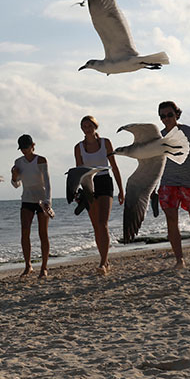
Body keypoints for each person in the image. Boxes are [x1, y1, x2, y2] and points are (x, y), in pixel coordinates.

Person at [156, 101, 190, 269]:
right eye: (163, 116)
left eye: (169, 115)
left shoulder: (188, 132)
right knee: (172, 222)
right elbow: (154, 164)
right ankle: (179, 259)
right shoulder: (159, 137)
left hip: (189, 183)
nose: (167, 119)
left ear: (177, 115)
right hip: (167, 184)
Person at [74, 115, 125, 275]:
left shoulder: (105, 143)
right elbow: (78, 171)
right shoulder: (78, 147)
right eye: (84, 126)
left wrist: (121, 190)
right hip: (88, 184)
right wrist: (77, 191)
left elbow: (114, 167)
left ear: (95, 126)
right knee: (96, 226)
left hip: (104, 181)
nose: (87, 128)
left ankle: (103, 262)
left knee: (103, 222)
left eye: (90, 125)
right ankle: (105, 260)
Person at [11, 134, 53, 277]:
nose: (24, 150)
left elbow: (47, 182)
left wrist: (48, 201)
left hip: (42, 199)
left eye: (26, 147)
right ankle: (28, 265)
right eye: (22, 148)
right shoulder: (18, 162)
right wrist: (14, 176)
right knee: (25, 231)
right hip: (27, 199)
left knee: (43, 233)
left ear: (32, 145)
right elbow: (16, 185)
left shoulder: (40, 160)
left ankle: (44, 267)